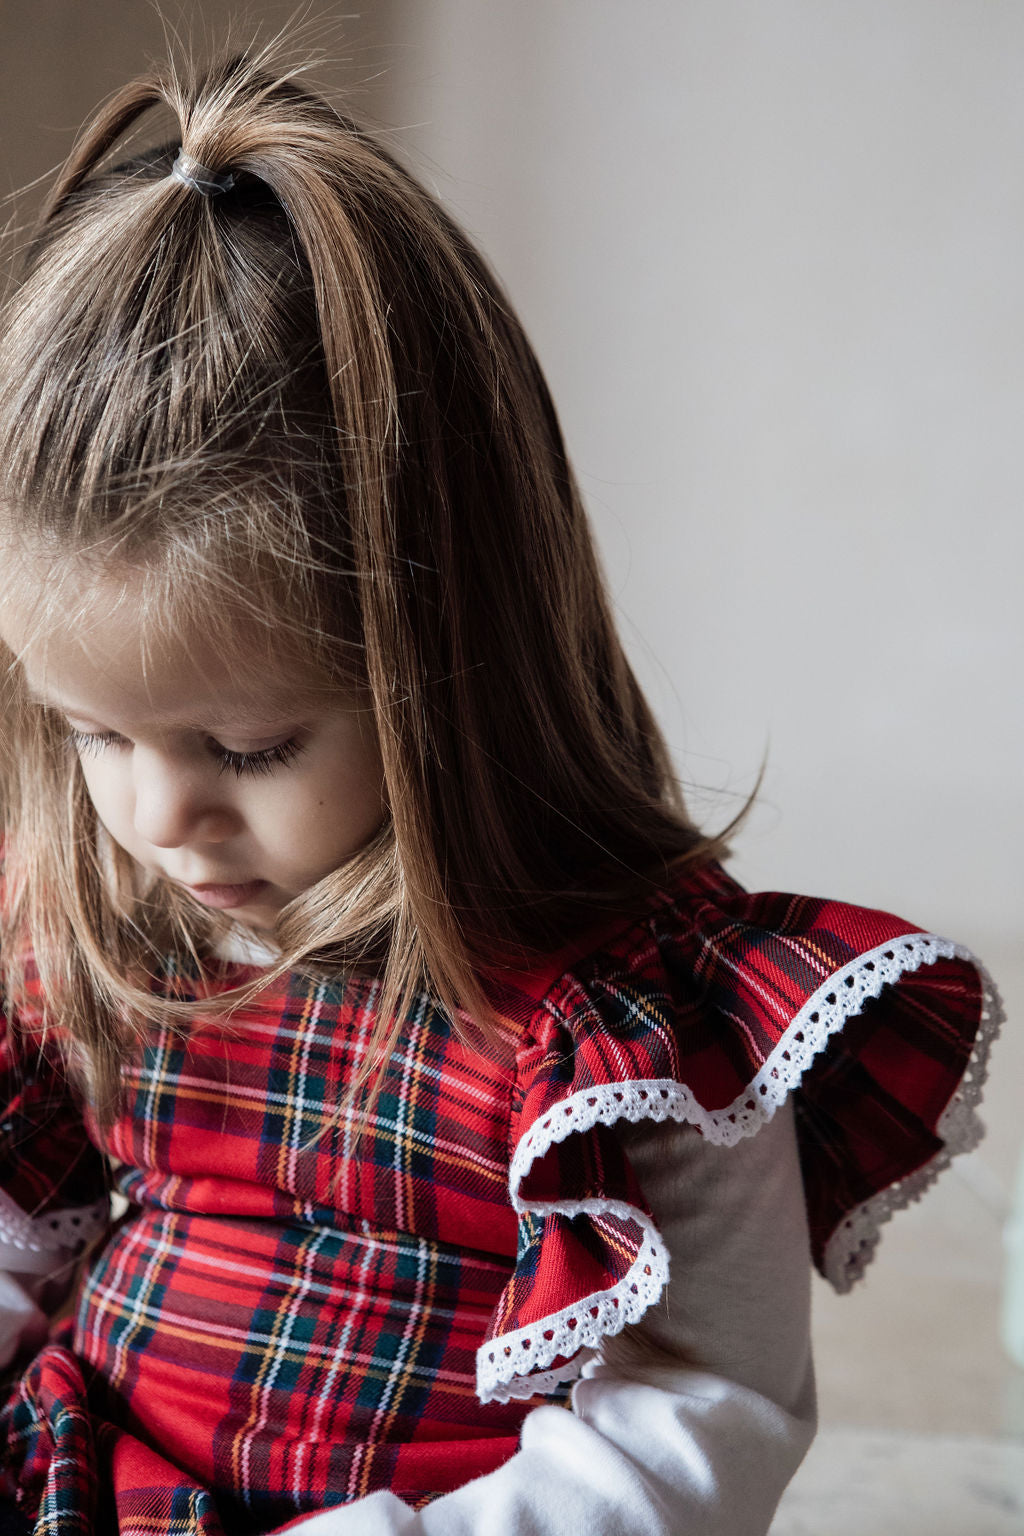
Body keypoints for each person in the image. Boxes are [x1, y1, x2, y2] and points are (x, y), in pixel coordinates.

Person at [0, 45, 1000, 1536]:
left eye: (251, 749)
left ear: (456, 669)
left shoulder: (627, 1022)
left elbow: (698, 1423)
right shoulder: (113, 930)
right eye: (93, 736)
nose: (158, 819)